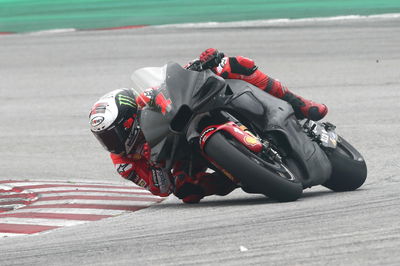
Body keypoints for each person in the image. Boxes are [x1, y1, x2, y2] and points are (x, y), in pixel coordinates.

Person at [89, 48, 328, 203]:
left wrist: (201, 62)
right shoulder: (124, 163)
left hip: (190, 111)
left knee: (230, 64)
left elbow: (170, 82)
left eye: (113, 134)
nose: (112, 144)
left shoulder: (144, 100)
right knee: (187, 192)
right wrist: (155, 166)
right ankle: (242, 176)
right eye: (105, 139)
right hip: (179, 155)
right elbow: (160, 189)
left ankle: (300, 104)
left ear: (130, 119)